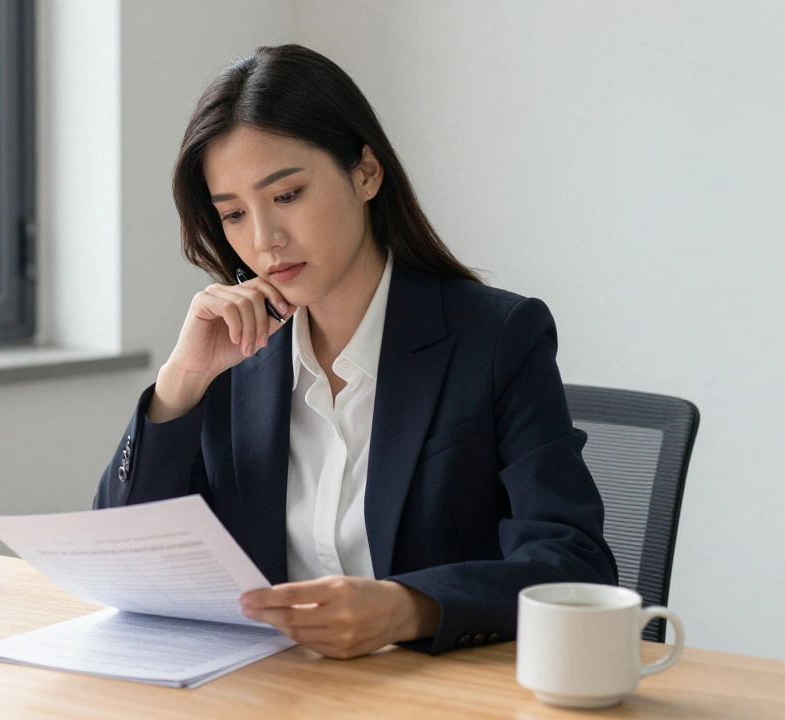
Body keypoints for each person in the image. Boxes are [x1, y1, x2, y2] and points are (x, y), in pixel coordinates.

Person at [93, 44, 617, 659]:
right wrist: (180, 385)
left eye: (287, 196)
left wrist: (408, 608)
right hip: (272, 693)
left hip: (433, 693)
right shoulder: (235, 355)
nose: (264, 241)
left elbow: (572, 565)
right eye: (233, 213)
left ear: (366, 172)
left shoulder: (498, 338)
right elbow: (125, 558)